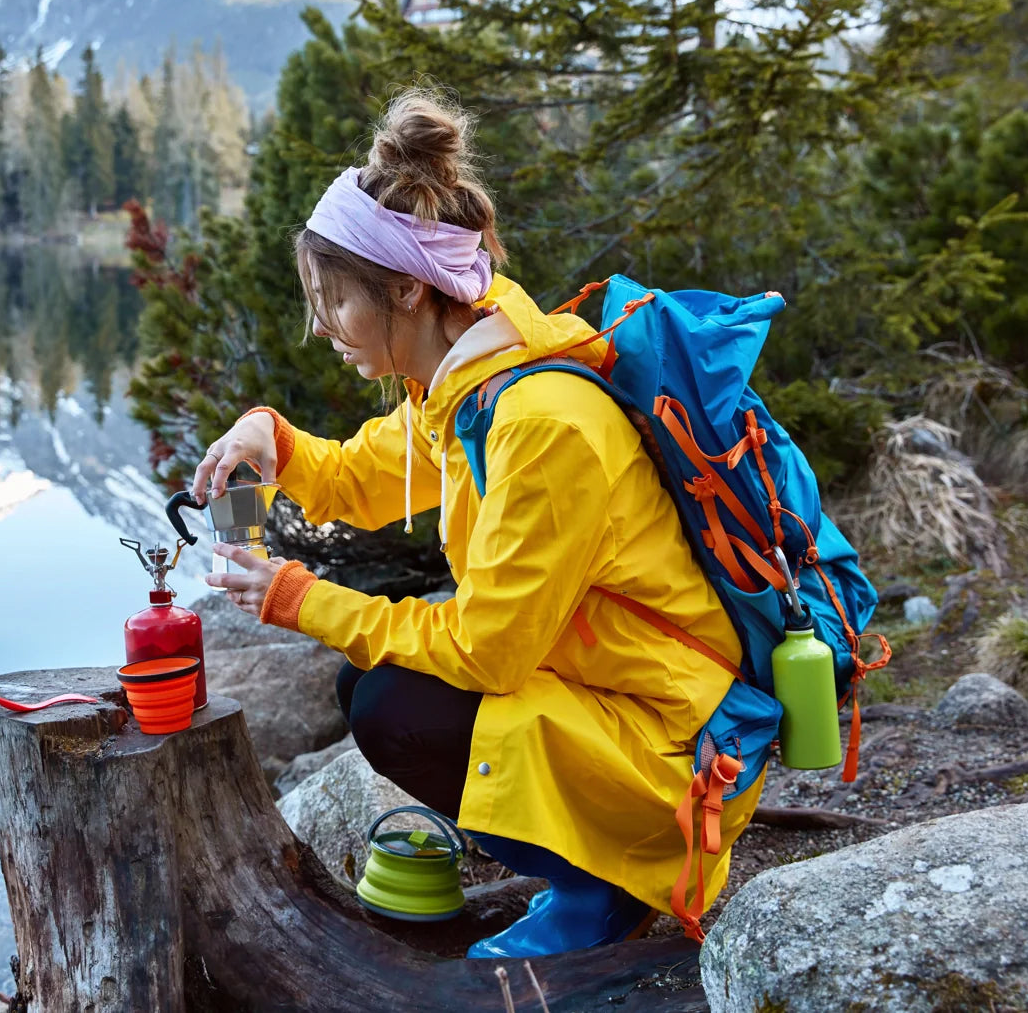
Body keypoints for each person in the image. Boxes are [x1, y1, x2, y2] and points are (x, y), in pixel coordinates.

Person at [195, 88, 765, 958]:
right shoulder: (461, 387)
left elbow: (486, 651)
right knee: (370, 687)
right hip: (605, 691)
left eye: (337, 303)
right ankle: (592, 869)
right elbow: (359, 474)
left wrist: (300, 598)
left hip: (675, 745)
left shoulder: (538, 422)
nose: (322, 330)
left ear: (410, 290)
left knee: (393, 704)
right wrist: (269, 435)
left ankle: (611, 890)